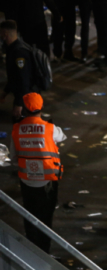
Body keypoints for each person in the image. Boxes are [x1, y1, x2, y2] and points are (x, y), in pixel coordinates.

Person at [9, 93, 66, 253]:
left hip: (27, 181)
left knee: (29, 214)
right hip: (47, 182)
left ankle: (31, 250)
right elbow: (62, 136)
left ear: (24, 110)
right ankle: (44, 251)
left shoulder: (16, 129)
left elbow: (14, 158)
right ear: (41, 108)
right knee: (46, 218)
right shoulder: (50, 128)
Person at [0, 21, 36, 121]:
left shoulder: (19, 52)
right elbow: (13, 76)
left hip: (28, 97)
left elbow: (24, 80)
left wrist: (19, 104)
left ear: (5, 33)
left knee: (19, 123)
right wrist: (5, 92)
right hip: (25, 94)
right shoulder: (14, 48)